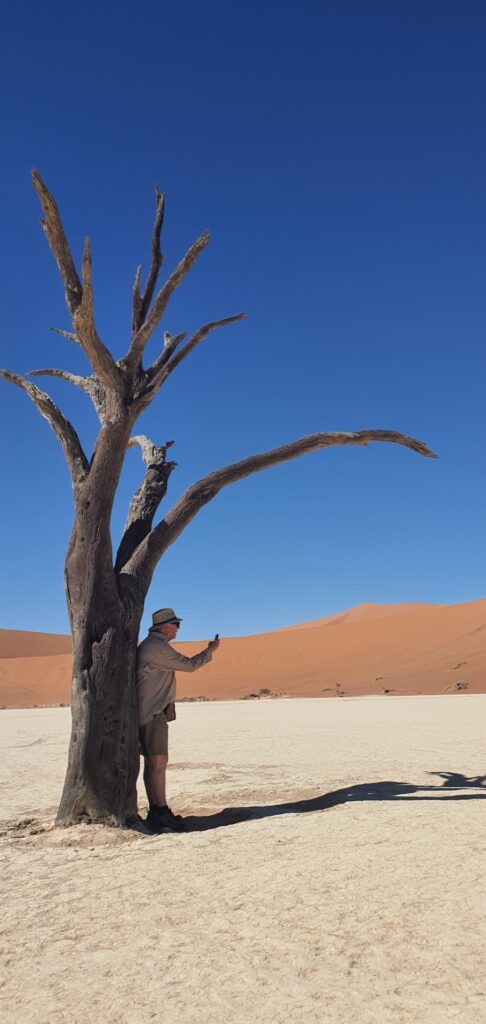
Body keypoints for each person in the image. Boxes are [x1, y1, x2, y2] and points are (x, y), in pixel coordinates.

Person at [137, 607, 220, 833]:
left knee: (153, 762)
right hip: (152, 713)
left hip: (150, 712)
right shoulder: (157, 648)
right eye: (176, 625)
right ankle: (160, 811)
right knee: (158, 761)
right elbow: (190, 665)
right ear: (166, 627)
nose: (178, 630)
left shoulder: (152, 646)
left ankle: (158, 809)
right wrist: (210, 650)